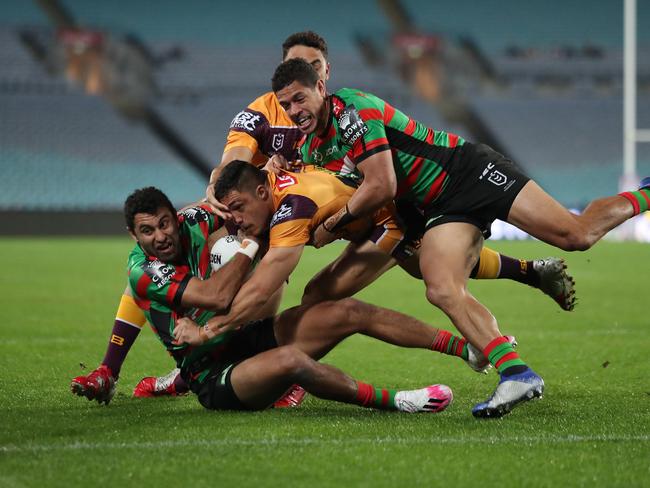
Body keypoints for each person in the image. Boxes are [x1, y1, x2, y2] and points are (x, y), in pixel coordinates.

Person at [270, 57, 650, 418]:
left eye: (300, 98)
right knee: (440, 287)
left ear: (321, 87)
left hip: (469, 172)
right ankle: (517, 374)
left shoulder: (350, 108)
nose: (294, 110)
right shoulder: (313, 150)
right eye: (286, 105)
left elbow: (382, 183)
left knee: (575, 235)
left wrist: (333, 224)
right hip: (436, 209)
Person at [121, 185, 494, 412]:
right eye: (147, 231)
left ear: (175, 214)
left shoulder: (195, 220)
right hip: (211, 373)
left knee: (346, 311)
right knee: (290, 361)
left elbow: (247, 208)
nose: (160, 236)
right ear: (134, 235)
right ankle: (398, 401)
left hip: (243, 337)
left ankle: (468, 350)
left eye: (164, 223)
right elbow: (216, 297)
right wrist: (251, 245)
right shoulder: (143, 271)